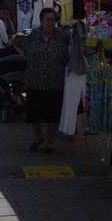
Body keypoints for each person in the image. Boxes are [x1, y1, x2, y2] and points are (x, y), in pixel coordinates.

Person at [13, 8, 69, 153]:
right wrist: (24, 54)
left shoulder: (63, 36)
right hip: (35, 81)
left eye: (53, 20)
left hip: (55, 82)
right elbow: (14, 40)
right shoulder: (31, 35)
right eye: (47, 20)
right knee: (34, 115)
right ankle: (38, 137)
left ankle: (50, 142)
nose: (50, 23)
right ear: (41, 21)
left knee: (52, 116)